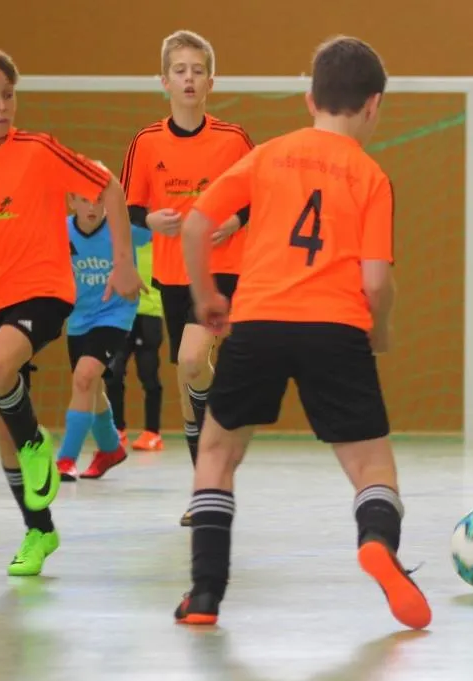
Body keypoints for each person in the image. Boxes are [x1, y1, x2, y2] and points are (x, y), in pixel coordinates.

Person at [172, 35, 431, 631]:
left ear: (309, 99)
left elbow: (196, 224)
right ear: (374, 105)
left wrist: (207, 297)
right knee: (370, 466)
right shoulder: (370, 175)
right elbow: (375, 281)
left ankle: (205, 593)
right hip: (335, 329)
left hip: (258, 322)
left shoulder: (269, 155)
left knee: (217, 453)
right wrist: (379, 330)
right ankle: (377, 544)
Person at [0, 39, 143, 576]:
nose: (2, 106)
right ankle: (39, 531)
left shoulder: (38, 151)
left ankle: (36, 443)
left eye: (8, 94)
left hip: (41, 290)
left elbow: (109, 187)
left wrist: (123, 263)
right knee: (3, 418)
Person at [119, 29, 254, 525]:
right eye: (180, 70)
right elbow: (129, 206)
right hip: (173, 274)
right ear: (165, 81)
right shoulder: (146, 142)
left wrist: (234, 221)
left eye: (198, 70)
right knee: (189, 373)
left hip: (223, 269)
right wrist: (150, 220)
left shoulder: (233, 139)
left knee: (194, 358)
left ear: (211, 81)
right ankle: (207, 489)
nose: (189, 78)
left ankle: (212, 469)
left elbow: (260, 195)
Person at [56, 186, 153, 481]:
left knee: (85, 377)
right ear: (71, 200)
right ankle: (111, 448)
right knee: (91, 388)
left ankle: (65, 459)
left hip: (115, 314)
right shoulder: (59, 231)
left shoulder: (122, 230)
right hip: (78, 319)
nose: (92, 207)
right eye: (84, 199)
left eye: (99, 200)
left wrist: (161, 219)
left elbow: (157, 230)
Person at [105, 235, 165, 453]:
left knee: (148, 374)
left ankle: (152, 432)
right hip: (121, 314)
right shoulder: (121, 239)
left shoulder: (160, 239)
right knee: (113, 372)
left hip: (149, 315)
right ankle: (117, 429)